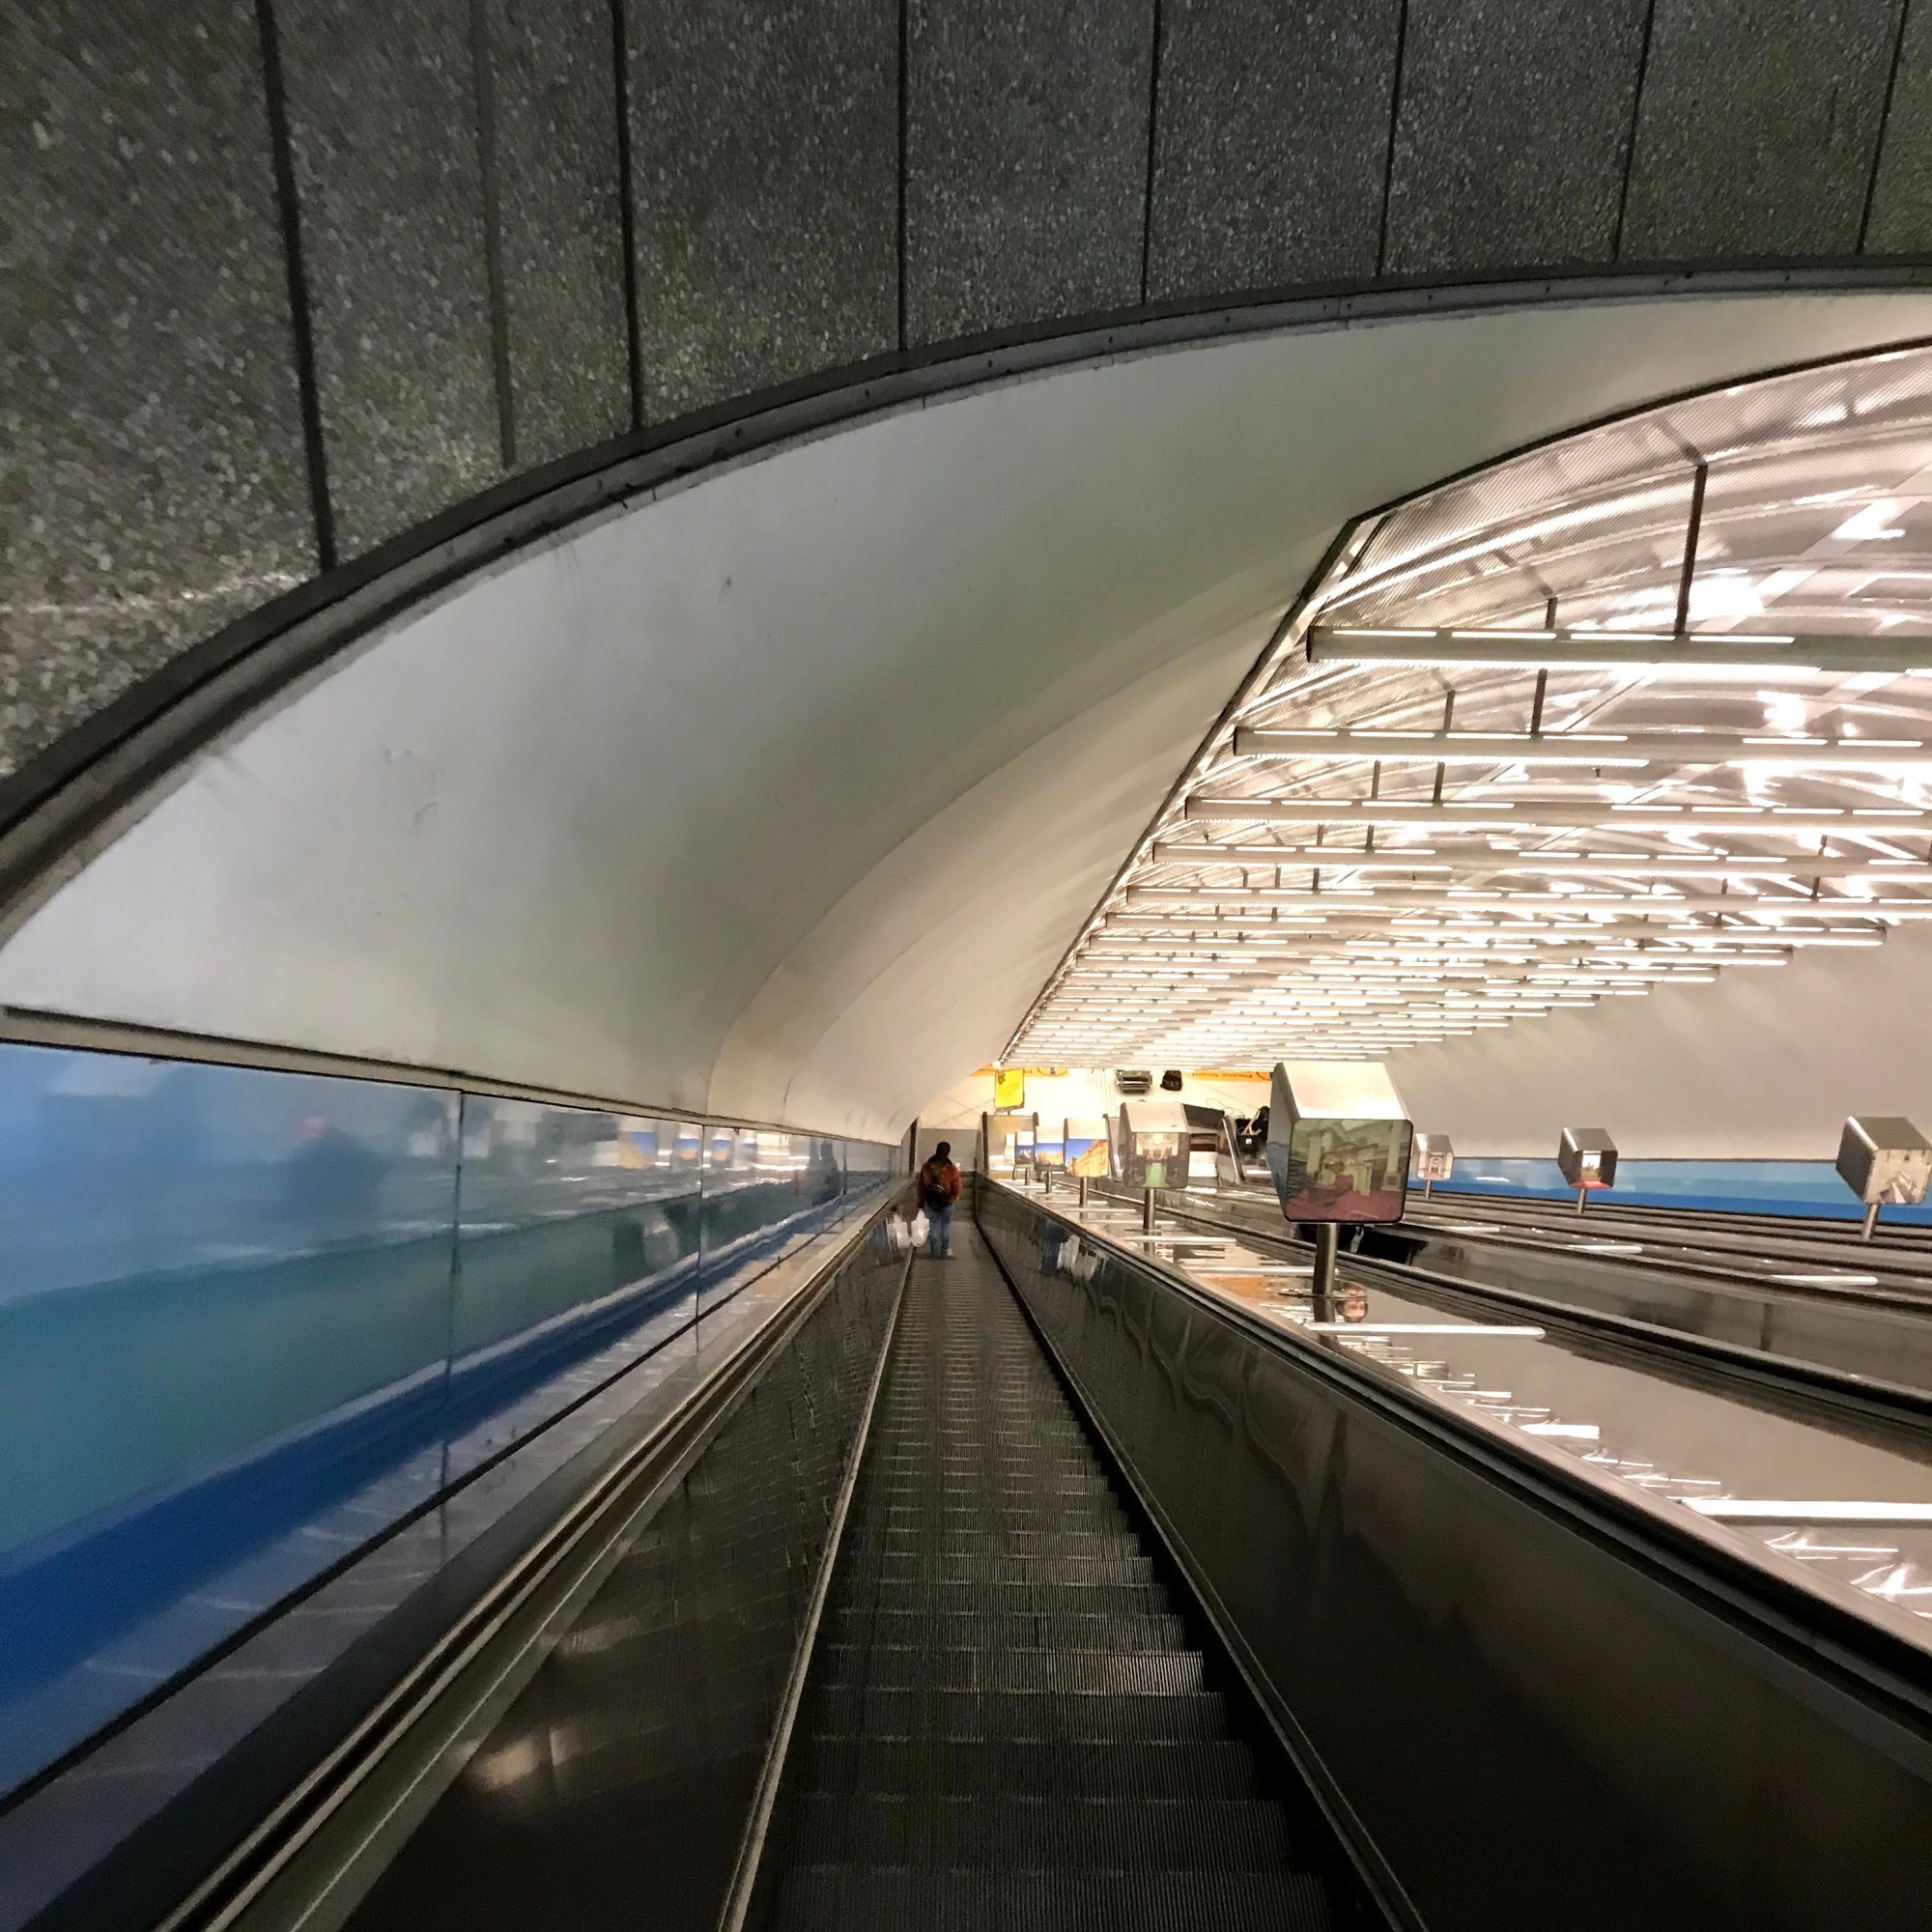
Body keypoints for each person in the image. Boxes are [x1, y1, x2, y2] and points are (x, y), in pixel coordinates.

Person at [913, 1141, 963, 1258]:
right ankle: (944, 1252)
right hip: (947, 1203)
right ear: (948, 1152)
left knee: (934, 1226)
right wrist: (952, 1199)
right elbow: (957, 1187)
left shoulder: (927, 1166)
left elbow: (921, 1186)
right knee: (946, 1226)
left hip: (931, 1202)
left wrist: (921, 1202)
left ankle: (934, 1252)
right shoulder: (951, 1168)